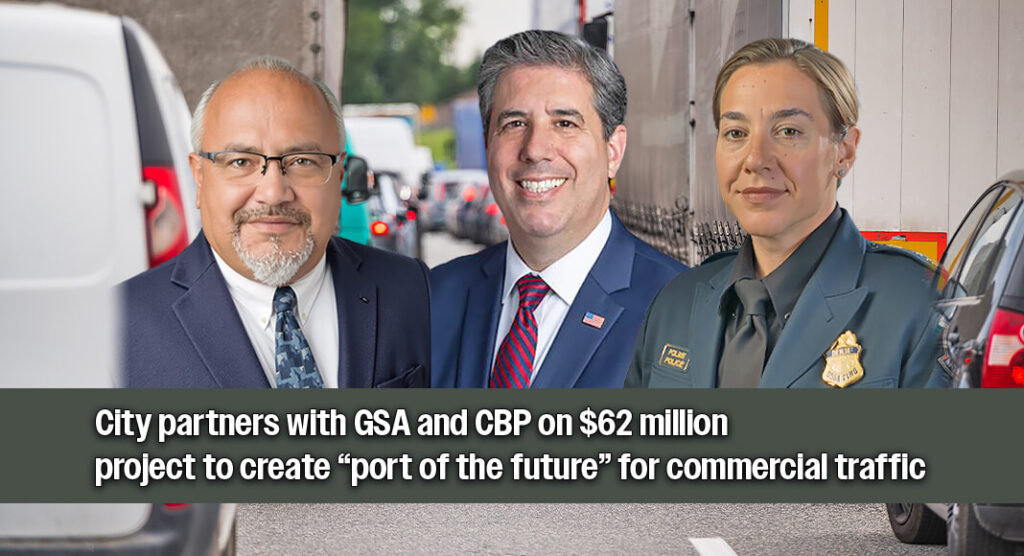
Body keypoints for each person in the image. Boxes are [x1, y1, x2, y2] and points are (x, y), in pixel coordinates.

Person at [627, 38, 937, 388]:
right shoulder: (674, 306)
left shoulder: (920, 307)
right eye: (736, 133)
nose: (756, 159)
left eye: (788, 132)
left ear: (844, 153)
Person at [122, 57, 429, 388]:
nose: (273, 193)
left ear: (339, 176)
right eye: (240, 161)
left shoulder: (418, 293)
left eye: (302, 161)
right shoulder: (116, 329)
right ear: (199, 176)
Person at [431, 30, 686, 388]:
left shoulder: (682, 311)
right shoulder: (432, 300)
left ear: (613, 151)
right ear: (488, 144)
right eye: (514, 123)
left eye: (565, 123)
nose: (535, 149)